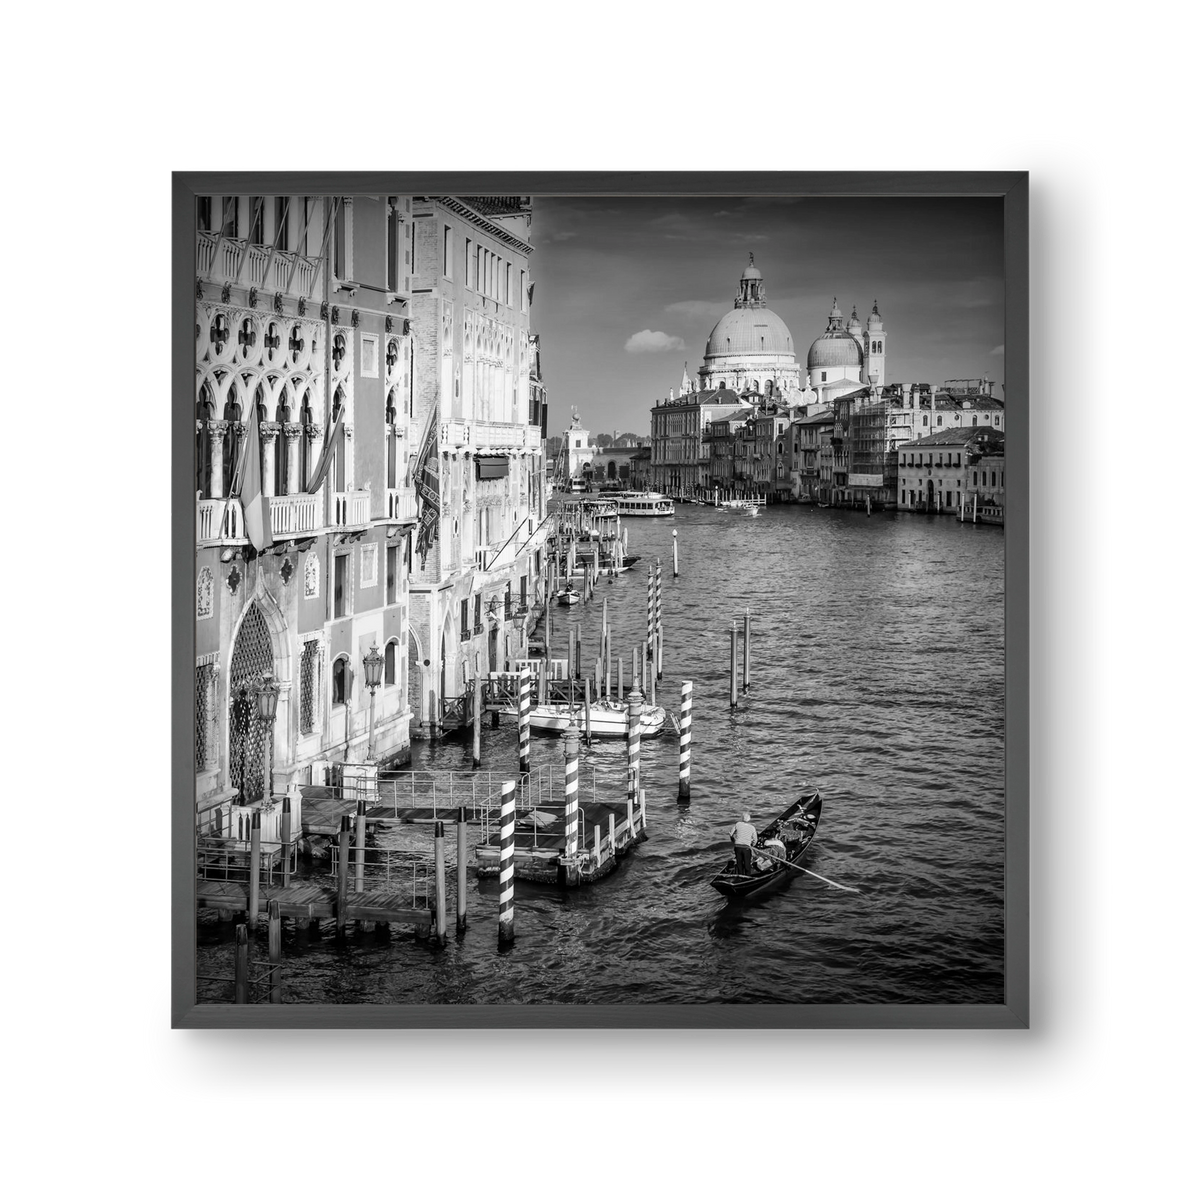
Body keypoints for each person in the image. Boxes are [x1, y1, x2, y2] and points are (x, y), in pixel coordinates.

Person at [730, 810, 757, 876]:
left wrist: (733, 841)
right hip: (746, 847)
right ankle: (747, 875)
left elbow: (731, 834)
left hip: (737, 846)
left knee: (739, 862)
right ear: (749, 819)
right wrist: (752, 845)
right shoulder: (752, 828)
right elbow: (755, 839)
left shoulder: (738, 824)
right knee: (747, 863)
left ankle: (740, 875)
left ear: (742, 818)